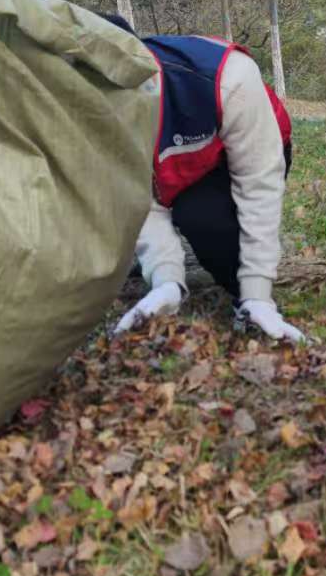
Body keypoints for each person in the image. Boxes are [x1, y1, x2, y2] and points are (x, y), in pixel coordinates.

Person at [103, 18, 306, 344]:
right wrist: (166, 280)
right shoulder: (90, 112)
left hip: (254, 146)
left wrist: (256, 293)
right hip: (188, 169)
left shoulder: (226, 77)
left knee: (204, 218)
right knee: (191, 212)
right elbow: (138, 197)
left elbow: (258, 186)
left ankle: (249, 303)